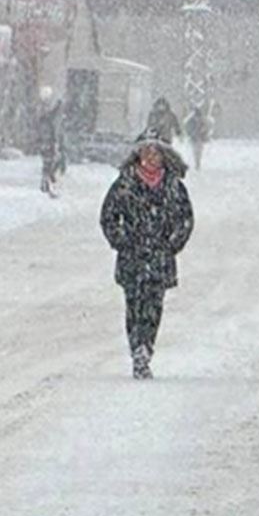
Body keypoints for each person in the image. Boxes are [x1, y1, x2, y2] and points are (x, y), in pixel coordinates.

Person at [99, 137, 195, 379]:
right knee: (134, 306)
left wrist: (173, 243)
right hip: (132, 258)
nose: (151, 158)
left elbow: (186, 219)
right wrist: (122, 241)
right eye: (146, 152)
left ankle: (147, 346)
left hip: (160, 258)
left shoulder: (173, 185)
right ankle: (137, 350)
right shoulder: (125, 184)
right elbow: (108, 217)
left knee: (153, 307)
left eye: (156, 153)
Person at [36, 86, 63, 196]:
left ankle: (46, 183)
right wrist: (57, 107)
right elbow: (48, 117)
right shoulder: (43, 112)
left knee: (49, 163)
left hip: (47, 141)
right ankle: (46, 184)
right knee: (49, 163)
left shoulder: (43, 113)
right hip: (46, 141)